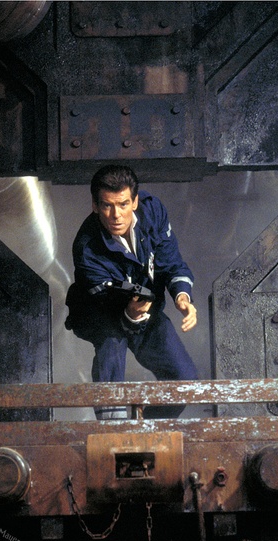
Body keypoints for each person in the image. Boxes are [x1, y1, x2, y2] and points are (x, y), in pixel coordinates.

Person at [65, 165, 198, 419]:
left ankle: (145, 429)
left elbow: (171, 261)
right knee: (111, 349)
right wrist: (130, 315)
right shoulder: (87, 249)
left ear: (135, 202)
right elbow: (107, 305)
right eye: (107, 205)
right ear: (95, 206)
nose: (116, 215)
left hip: (144, 305)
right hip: (100, 311)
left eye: (123, 204)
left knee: (185, 382)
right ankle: (113, 431)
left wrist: (182, 296)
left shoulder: (153, 211)